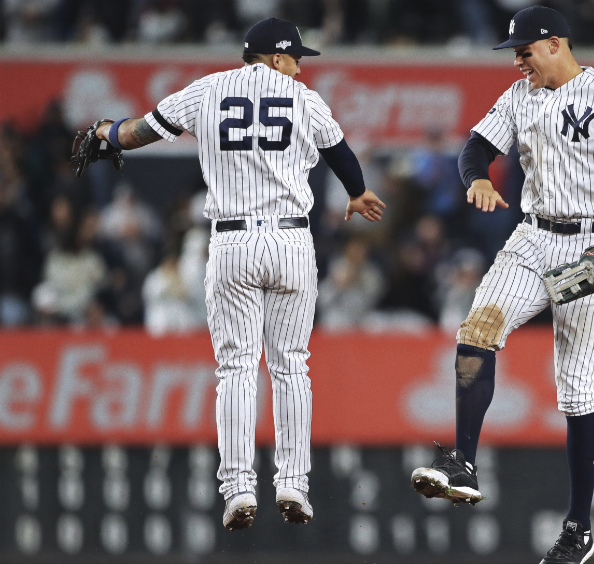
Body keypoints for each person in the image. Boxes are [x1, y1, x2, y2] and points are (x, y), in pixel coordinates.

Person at [85, 18, 386, 530]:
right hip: (291, 241)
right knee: (291, 365)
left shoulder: (208, 90)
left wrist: (104, 133)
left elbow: (141, 131)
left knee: (237, 368)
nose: (299, 66)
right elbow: (340, 154)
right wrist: (356, 192)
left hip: (231, 242)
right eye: (295, 58)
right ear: (274, 58)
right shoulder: (304, 99)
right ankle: (293, 483)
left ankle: (238, 489)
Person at [408, 6, 594, 563]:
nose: (519, 60)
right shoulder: (519, 94)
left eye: (525, 50)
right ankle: (463, 461)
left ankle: (578, 528)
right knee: (476, 328)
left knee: (577, 393)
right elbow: (475, 147)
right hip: (532, 237)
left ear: (554, 44)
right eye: (516, 52)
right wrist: (476, 177)